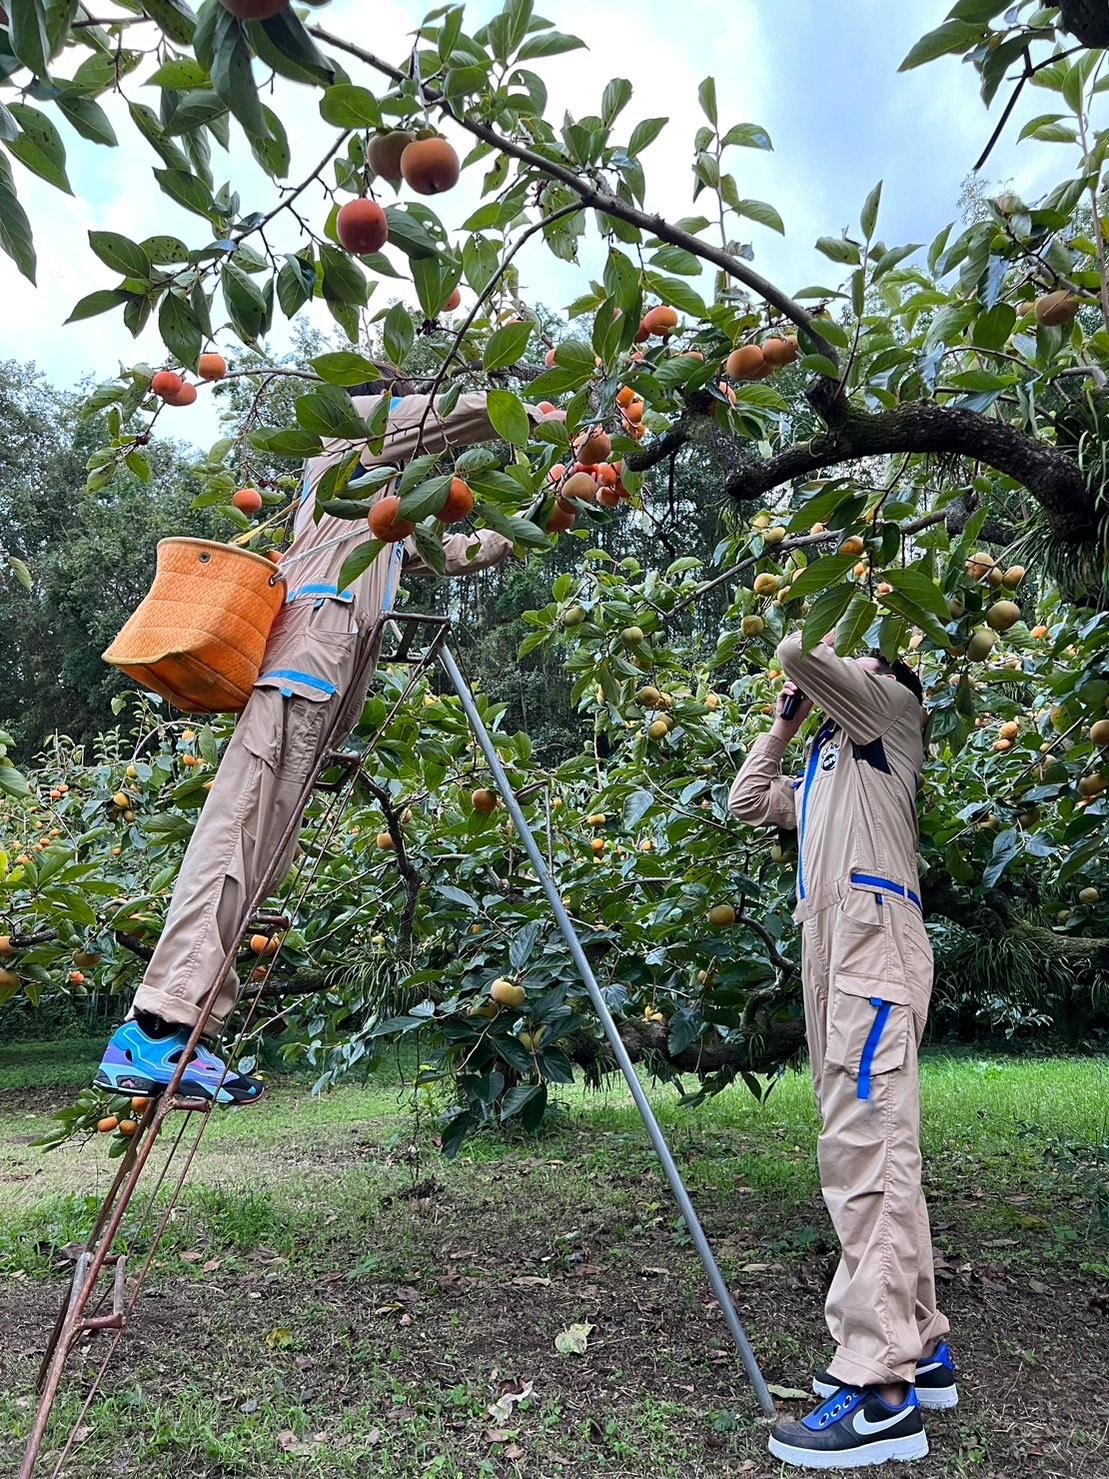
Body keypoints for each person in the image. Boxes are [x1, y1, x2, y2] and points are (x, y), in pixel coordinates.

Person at [95, 372, 563, 1106]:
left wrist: (543, 509)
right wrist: (528, 413)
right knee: (237, 831)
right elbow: (444, 415)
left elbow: (458, 550)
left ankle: (186, 1030)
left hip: (325, 675)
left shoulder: (379, 510)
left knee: (260, 853)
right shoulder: (348, 432)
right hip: (303, 662)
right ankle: (154, 1025)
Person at [729, 627, 954, 1471]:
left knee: (866, 1153)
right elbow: (748, 801)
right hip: (834, 952)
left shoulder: (888, 714)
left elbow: (794, 650)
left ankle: (878, 1390)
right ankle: (920, 1347)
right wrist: (781, 729)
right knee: (878, 1148)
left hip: (868, 943)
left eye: (858, 652)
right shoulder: (830, 760)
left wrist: (835, 629)